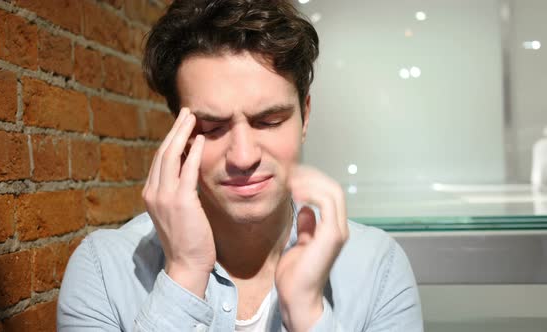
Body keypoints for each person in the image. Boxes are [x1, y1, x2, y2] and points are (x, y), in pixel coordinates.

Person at [57, 0, 423, 331]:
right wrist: (183, 275)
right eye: (212, 128)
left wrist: (308, 315)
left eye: (269, 121)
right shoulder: (104, 270)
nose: (244, 157)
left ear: (305, 116)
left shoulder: (377, 267)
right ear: (178, 131)